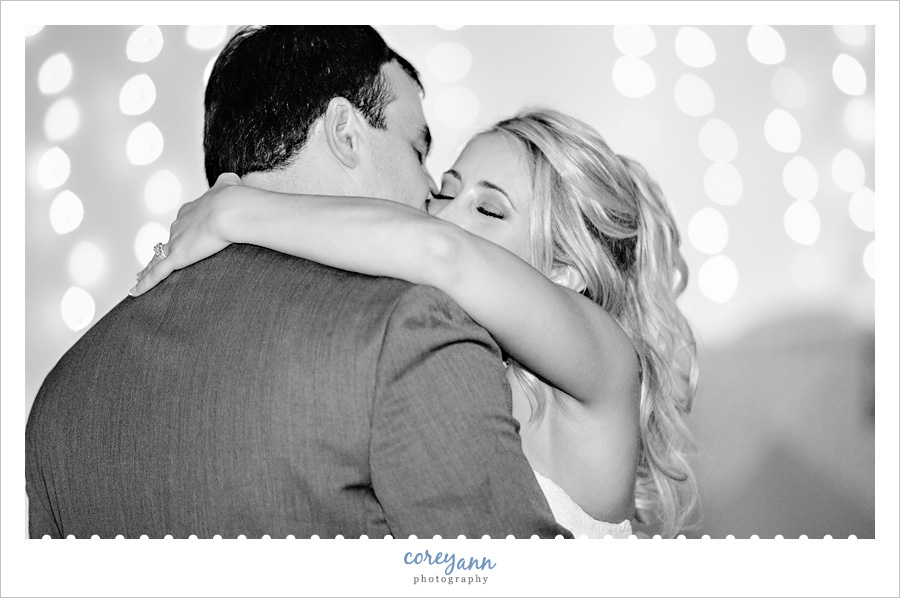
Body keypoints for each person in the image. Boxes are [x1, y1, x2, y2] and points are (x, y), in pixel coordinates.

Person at [25, 26, 571, 540]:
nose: (431, 191)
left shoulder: (62, 397)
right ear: (345, 134)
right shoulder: (408, 325)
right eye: (417, 150)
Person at [132, 108, 700, 538]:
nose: (444, 216)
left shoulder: (605, 363)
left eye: (487, 209)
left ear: (565, 267)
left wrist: (233, 210)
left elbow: (442, 254)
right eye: (445, 192)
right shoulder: (442, 354)